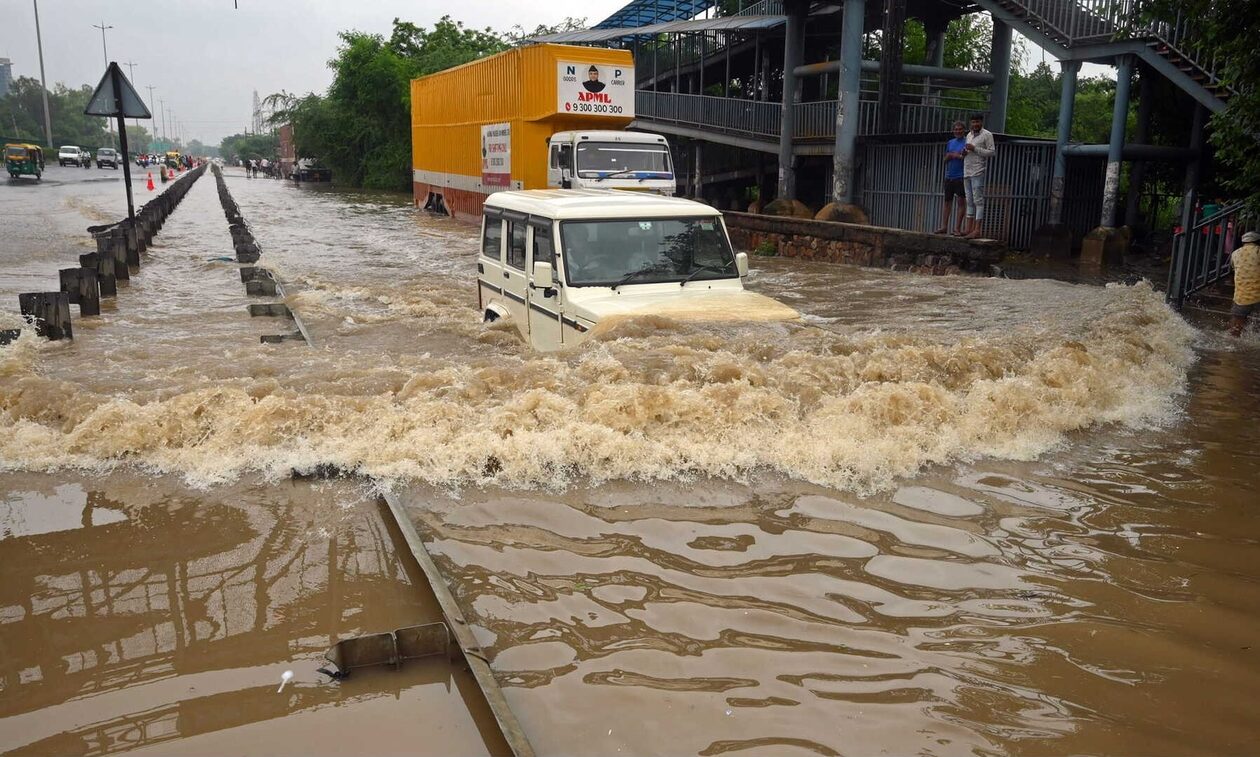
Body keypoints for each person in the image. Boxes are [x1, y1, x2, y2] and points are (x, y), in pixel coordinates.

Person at [960, 113, 996, 239]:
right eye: (973, 122)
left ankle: (977, 229)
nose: (975, 124)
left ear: (981, 122)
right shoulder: (969, 135)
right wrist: (964, 152)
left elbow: (992, 152)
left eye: (977, 122)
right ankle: (968, 228)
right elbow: (966, 150)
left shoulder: (987, 135)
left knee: (978, 200)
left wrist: (975, 149)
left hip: (978, 171)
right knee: (969, 200)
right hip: (967, 170)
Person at [934, 121, 967, 235]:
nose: (958, 131)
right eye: (956, 129)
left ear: (964, 130)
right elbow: (945, 159)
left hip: (961, 176)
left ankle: (957, 228)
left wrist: (956, 155)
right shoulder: (950, 142)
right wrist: (948, 156)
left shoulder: (967, 142)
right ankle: (944, 226)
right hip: (949, 176)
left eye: (960, 129)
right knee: (947, 202)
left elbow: (966, 157)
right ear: (953, 131)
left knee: (961, 202)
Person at [1229, 230, 1260, 337]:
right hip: (1258, 294)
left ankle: (1234, 338)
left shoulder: (1235, 254)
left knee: (1237, 321)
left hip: (1241, 295)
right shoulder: (1258, 251)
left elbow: (1234, 268)